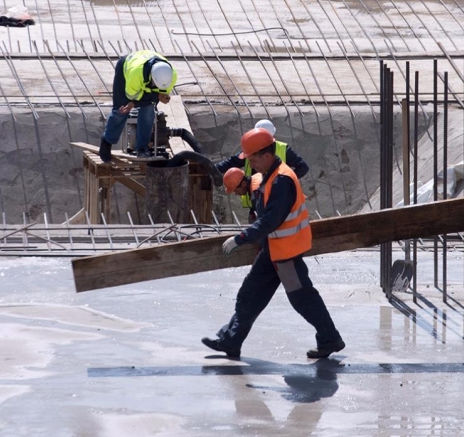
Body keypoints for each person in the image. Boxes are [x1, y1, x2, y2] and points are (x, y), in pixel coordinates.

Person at [202, 128, 344, 359]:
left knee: (303, 299)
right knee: (249, 294)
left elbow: (271, 220)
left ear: (266, 155)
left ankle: (330, 339)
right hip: (271, 252)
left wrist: (241, 238)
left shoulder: (282, 180)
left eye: (253, 159)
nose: (252, 165)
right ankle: (230, 341)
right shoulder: (264, 178)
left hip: (286, 252)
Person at [98, 50, 177, 163]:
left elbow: (158, 95)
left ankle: (142, 148)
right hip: (126, 71)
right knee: (121, 110)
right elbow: (133, 97)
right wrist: (154, 96)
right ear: (151, 77)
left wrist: (158, 97)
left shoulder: (171, 76)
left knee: (148, 111)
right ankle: (107, 140)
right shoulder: (136, 74)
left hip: (144, 76)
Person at [216, 118, 309, 210]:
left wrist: (283, 182)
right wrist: (213, 169)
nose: (252, 165)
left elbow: (303, 167)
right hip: (256, 197)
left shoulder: (283, 149)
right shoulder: (251, 149)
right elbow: (233, 162)